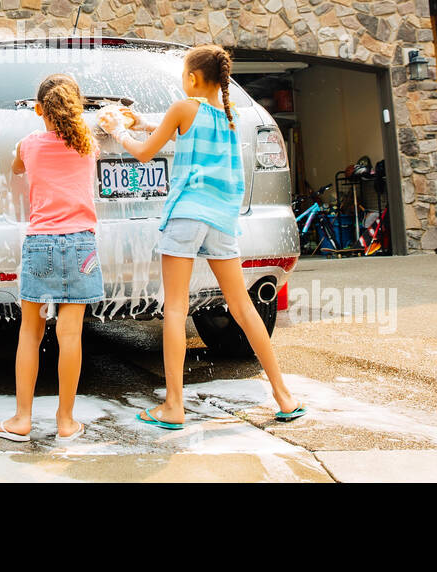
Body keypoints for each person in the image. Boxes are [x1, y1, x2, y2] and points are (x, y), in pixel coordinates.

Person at [103, 44, 305, 427]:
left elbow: (145, 153)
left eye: (183, 75)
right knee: (243, 308)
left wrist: (118, 130)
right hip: (223, 221)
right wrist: (144, 121)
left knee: (176, 309)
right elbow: (185, 133)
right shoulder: (229, 117)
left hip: (186, 217)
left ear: (193, 78)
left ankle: (174, 407)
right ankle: (283, 396)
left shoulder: (183, 108)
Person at [0, 73, 102, 443]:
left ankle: (22, 419)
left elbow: (16, 168)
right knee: (71, 335)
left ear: (39, 109)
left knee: (30, 332)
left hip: (41, 246)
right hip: (81, 248)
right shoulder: (88, 145)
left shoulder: (29, 145)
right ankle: (66, 422)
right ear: (77, 107)